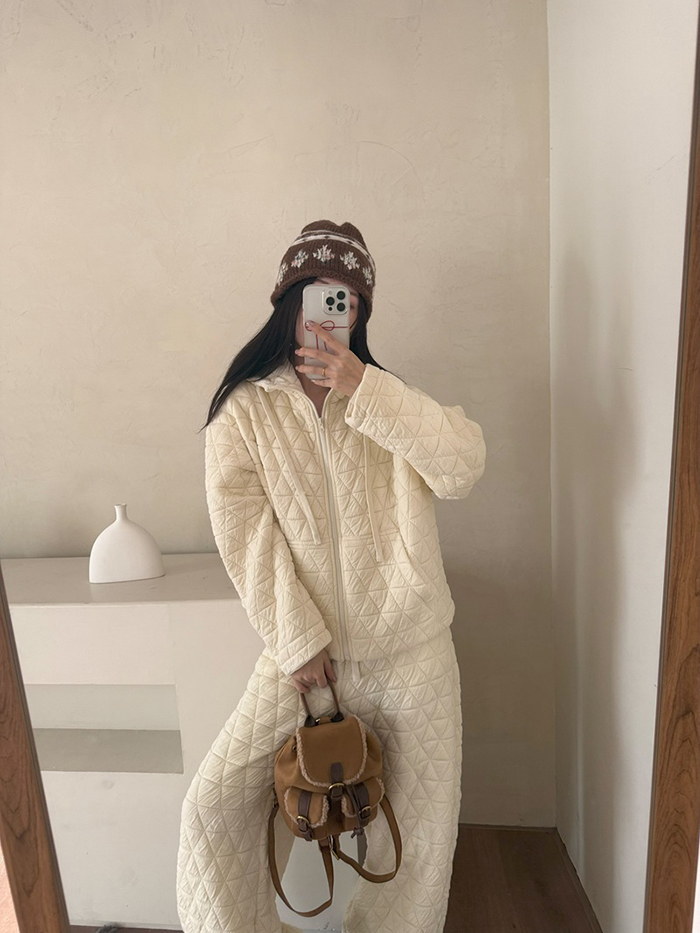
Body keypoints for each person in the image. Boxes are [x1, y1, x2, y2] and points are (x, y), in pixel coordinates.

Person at [176, 220, 486, 933]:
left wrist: (366, 389)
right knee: (212, 809)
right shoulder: (244, 412)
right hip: (305, 665)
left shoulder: (387, 401)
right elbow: (245, 534)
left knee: (416, 848)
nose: (330, 312)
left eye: (347, 299)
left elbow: (463, 468)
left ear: (361, 312)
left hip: (412, 654)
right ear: (289, 300)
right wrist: (295, 639)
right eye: (320, 293)